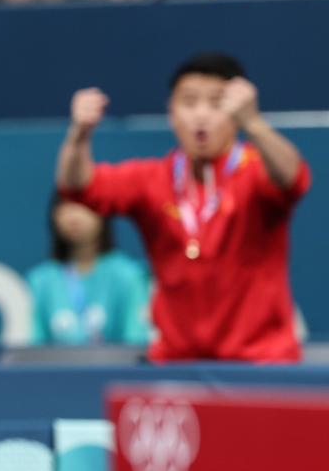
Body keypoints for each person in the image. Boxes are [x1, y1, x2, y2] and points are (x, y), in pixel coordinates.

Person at [56, 53, 310, 362]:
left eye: (216, 103)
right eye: (189, 102)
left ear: (236, 112)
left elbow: (293, 178)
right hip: (177, 363)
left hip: (262, 363)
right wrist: (79, 135)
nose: (201, 115)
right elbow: (76, 187)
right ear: (171, 112)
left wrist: (254, 123)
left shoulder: (257, 170)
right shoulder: (151, 179)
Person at [27, 194, 151, 345]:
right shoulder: (40, 280)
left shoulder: (129, 275)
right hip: (56, 362)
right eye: (66, 207)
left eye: (82, 205)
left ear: (103, 212)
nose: (74, 216)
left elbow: (135, 341)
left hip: (117, 361)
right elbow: (33, 347)